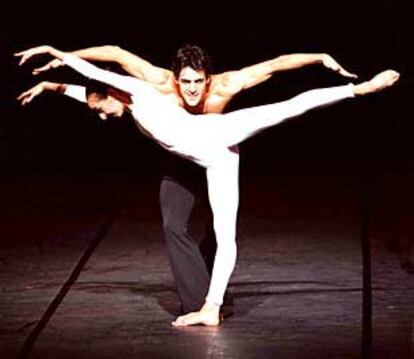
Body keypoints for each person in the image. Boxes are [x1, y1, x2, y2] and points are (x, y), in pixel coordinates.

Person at [16, 45, 400, 326]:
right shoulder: (129, 103)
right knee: (224, 232)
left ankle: (359, 90)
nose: (102, 116)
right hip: (216, 158)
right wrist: (53, 86)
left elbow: (99, 75)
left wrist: (58, 53)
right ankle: (210, 309)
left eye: (101, 110)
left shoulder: (140, 91)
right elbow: (92, 94)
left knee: (287, 109)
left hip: (220, 132)